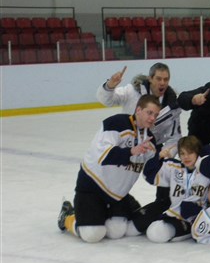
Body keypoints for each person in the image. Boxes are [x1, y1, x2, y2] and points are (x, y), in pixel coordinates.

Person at [57, 95, 161, 243]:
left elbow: (150, 175)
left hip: (117, 194)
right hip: (92, 187)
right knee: (92, 234)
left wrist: (160, 157)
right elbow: (104, 156)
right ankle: (68, 216)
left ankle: (109, 209)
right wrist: (131, 151)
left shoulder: (150, 140)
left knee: (116, 232)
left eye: (156, 115)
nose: (152, 118)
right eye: (149, 113)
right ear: (138, 110)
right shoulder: (116, 123)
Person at [131, 135, 210, 238]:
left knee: (156, 233)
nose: (186, 157)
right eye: (182, 153)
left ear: (197, 153)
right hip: (172, 212)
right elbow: (149, 176)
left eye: (190, 153)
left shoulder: (207, 170)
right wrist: (158, 158)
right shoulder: (174, 167)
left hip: (195, 218)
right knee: (132, 228)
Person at [96, 63, 182, 158]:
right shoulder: (132, 91)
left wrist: (163, 156)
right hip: (124, 146)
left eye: (166, 79)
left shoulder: (172, 107)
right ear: (150, 78)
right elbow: (108, 101)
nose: (162, 83)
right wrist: (109, 86)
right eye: (158, 79)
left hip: (150, 151)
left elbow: (174, 138)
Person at [147, 177, 210, 243]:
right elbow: (185, 210)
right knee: (155, 230)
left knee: (157, 233)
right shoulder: (202, 201)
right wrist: (201, 210)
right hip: (175, 219)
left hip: (189, 228)